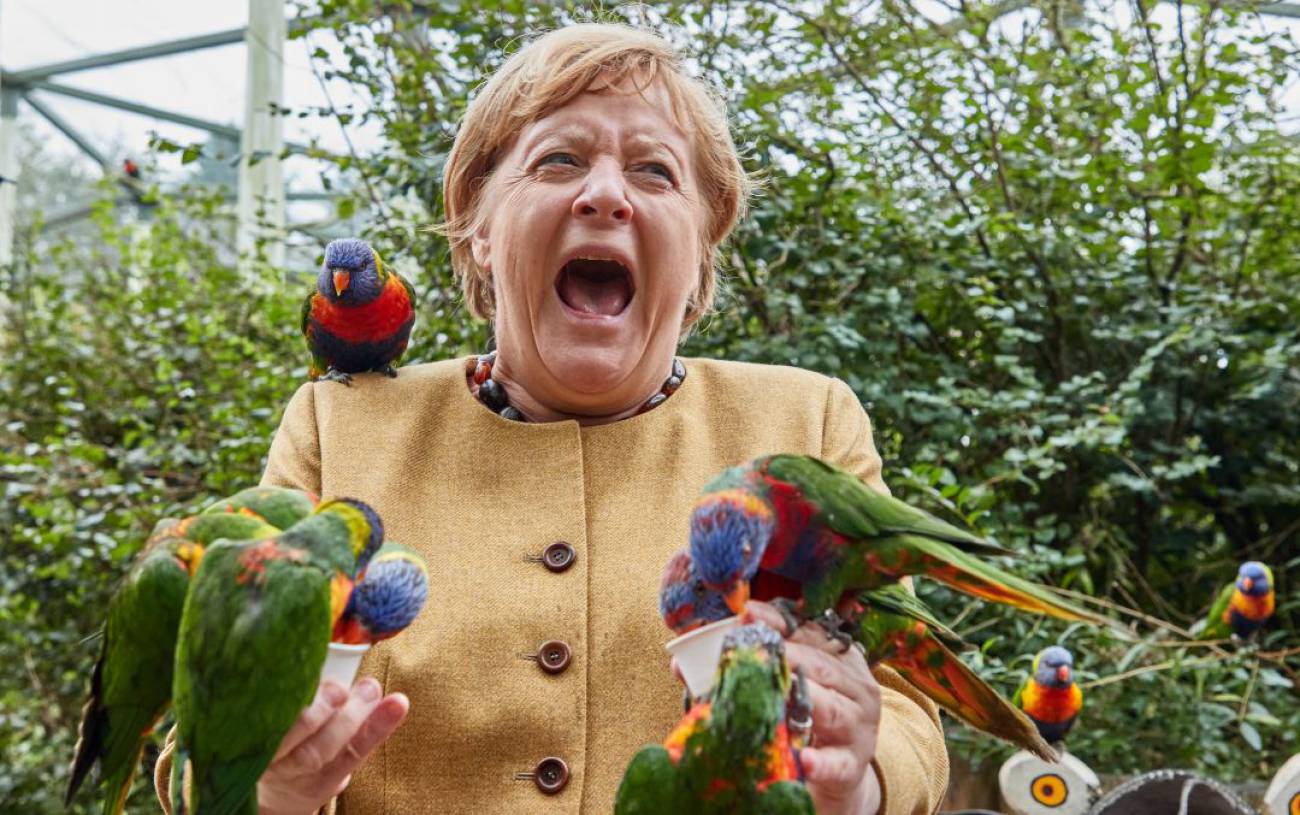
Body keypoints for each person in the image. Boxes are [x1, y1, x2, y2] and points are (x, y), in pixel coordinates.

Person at [155, 22, 949, 815]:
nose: (605, 193)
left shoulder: (805, 422)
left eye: (655, 171)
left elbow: (909, 714)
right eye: (559, 159)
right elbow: (201, 737)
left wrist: (858, 779)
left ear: (703, 246)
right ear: (481, 226)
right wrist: (266, 784)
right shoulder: (340, 425)